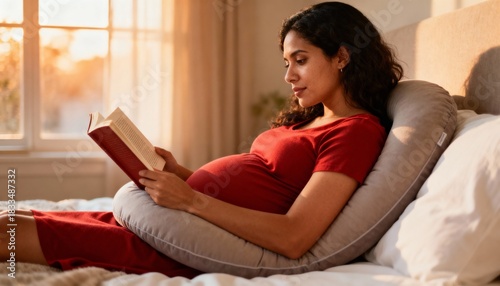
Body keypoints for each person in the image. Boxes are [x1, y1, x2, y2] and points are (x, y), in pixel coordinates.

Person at [0, 1, 403, 278]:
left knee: (7, 237)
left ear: (342, 57)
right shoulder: (312, 119)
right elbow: (259, 187)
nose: (288, 76)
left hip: (178, 248)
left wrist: (190, 198)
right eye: (286, 62)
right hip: (173, 224)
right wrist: (180, 174)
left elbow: (294, 236)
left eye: (300, 60)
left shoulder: (356, 132)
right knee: (9, 221)